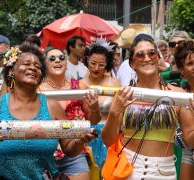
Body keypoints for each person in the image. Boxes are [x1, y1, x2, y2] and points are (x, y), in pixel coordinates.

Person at [0, 44, 95, 179]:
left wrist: (79, 141)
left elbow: (69, 149)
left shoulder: (52, 106)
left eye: (37, 66)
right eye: (26, 64)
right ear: (11, 71)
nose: (33, 67)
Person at [101, 34, 194, 180]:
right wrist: (114, 112)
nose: (147, 58)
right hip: (127, 169)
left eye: (151, 53)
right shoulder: (124, 95)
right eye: (140, 55)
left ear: (158, 57)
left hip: (163, 172)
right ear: (132, 63)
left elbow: (190, 139)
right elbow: (107, 140)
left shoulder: (178, 95)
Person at [39, 47, 100, 180]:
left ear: (66, 65)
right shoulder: (36, 89)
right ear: (44, 64)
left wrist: (95, 108)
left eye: (62, 58)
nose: (57, 61)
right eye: (52, 58)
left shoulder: (80, 87)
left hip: (74, 152)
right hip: (43, 153)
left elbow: (93, 120)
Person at [82, 41, 121, 172]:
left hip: (108, 135)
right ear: (87, 60)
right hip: (86, 135)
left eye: (101, 64)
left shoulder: (114, 83)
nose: (96, 68)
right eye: (93, 63)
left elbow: (119, 112)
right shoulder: (79, 83)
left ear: (107, 64)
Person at [174, 40, 194, 180]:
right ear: (182, 70)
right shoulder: (181, 96)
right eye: (190, 63)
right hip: (188, 153)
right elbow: (188, 140)